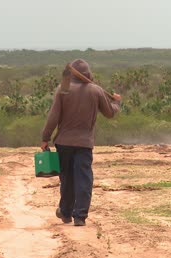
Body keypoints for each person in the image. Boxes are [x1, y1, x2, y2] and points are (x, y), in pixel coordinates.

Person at [41, 59, 121, 226]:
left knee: (67, 179)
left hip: (63, 142)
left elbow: (53, 117)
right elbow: (110, 113)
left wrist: (45, 138)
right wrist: (116, 102)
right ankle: (80, 216)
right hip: (84, 143)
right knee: (84, 179)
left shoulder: (63, 90)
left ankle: (65, 212)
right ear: (88, 74)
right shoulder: (96, 90)